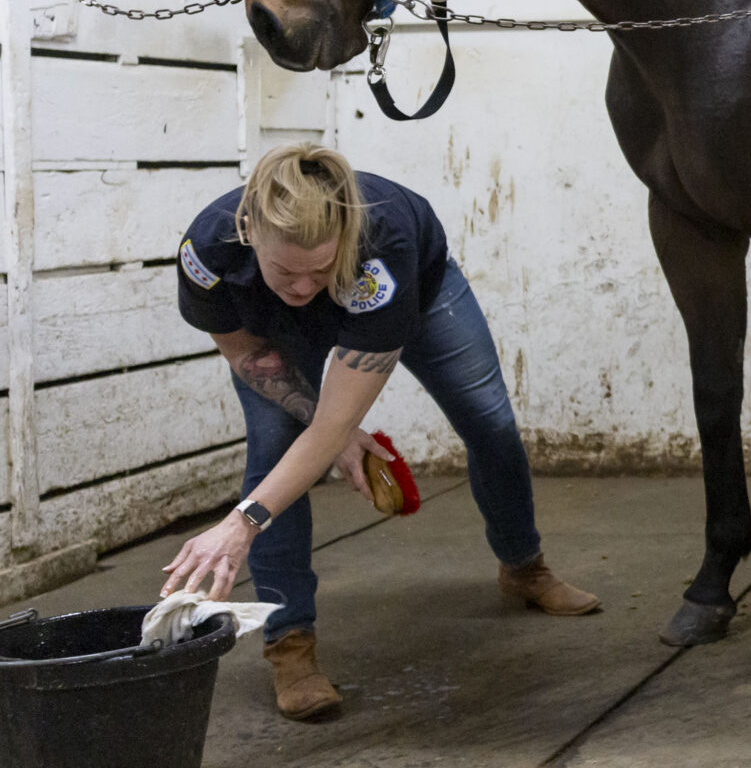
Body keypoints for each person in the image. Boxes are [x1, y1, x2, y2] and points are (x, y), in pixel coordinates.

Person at [161, 144, 598, 721]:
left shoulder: (382, 248)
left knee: (488, 421)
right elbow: (248, 356)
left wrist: (242, 523)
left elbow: (338, 416)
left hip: (420, 290)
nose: (302, 286)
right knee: (273, 456)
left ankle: (525, 567)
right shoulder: (208, 252)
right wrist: (327, 440)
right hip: (272, 331)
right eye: (285, 270)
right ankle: (290, 643)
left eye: (319, 268)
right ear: (249, 232)